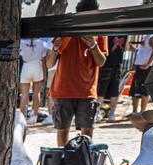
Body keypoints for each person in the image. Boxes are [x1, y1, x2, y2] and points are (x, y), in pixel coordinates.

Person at [46, 1, 108, 147]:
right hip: (63, 90)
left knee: (87, 133)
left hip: (87, 91)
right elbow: (49, 64)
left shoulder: (100, 32)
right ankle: (63, 162)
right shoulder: (65, 30)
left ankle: (84, 164)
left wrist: (93, 45)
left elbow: (101, 62)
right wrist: (55, 48)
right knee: (62, 130)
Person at [97, 35, 128, 123]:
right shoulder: (125, 34)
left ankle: (96, 112)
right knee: (114, 90)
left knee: (101, 90)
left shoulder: (106, 33)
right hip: (117, 64)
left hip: (106, 63)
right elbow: (126, 48)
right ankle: (112, 113)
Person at [18, 37, 50, 122]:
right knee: (37, 93)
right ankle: (34, 116)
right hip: (38, 67)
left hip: (26, 67)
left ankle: (22, 117)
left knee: (24, 94)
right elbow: (43, 60)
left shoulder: (21, 42)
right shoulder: (42, 44)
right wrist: (44, 73)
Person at [129, 34, 153, 115]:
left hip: (146, 68)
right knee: (136, 91)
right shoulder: (147, 36)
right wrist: (135, 49)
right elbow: (144, 51)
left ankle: (142, 113)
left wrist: (148, 64)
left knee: (144, 91)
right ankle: (135, 112)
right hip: (141, 67)